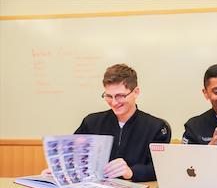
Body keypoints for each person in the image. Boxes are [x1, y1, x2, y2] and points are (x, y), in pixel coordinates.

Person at [43, 64, 171, 181]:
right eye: (109, 96)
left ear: (136, 92)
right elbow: (72, 156)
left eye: (120, 96)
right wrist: (59, 170)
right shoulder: (91, 122)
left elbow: (161, 168)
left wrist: (131, 172)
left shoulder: (157, 127)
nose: (114, 103)